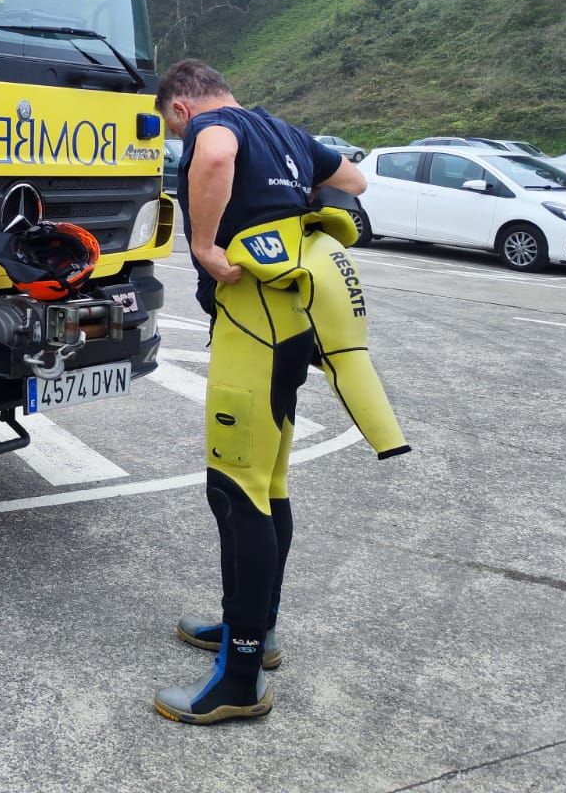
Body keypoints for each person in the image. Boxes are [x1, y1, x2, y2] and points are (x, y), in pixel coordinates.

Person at [151, 59, 410, 725]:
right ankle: (255, 631)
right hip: (290, 326)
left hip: (251, 328)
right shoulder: (286, 132)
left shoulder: (211, 129)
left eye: (171, 128)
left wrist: (206, 247)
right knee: (268, 485)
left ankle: (239, 680)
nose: (182, 138)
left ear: (180, 108)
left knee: (235, 491)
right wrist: (300, 220)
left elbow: (211, 154)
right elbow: (352, 179)